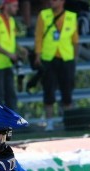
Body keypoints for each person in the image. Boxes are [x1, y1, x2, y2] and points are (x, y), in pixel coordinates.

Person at [34, 0, 78, 131]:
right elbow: (38, 36)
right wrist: (37, 55)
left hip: (66, 58)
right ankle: (50, 123)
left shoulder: (71, 16)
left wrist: (74, 59)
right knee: (48, 91)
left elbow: (75, 41)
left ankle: (68, 121)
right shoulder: (43, 15)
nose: (51, 2)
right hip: (48, 58)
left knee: (67, 92)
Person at [0, 0, 27, 111]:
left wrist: (20, 49)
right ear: (6, 6)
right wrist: (9, 54)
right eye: (15, 6)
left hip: (6, 63)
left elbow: (11, 40)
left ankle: (12, 123)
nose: (17, 8)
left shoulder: (11, 21)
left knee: (10, 95)